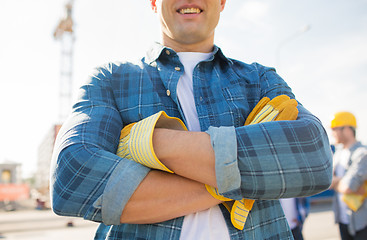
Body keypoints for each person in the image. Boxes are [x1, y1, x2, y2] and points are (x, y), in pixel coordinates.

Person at [50, 0, 333, 239]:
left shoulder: (259, 80)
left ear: (222, 2)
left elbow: (315, 158)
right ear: (152, 2)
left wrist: (150, 142)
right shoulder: (111, 80)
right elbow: (71, 177)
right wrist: (250, 177)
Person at [330, 111, 367, 240]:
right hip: (342, 220)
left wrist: (335, 182)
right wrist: (341, 181)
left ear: (347, 129)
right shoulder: (338, 154)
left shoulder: (363, 154)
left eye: (335, 129)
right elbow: (327, 182)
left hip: (361, 222)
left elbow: (348, 188)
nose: (332, 133)